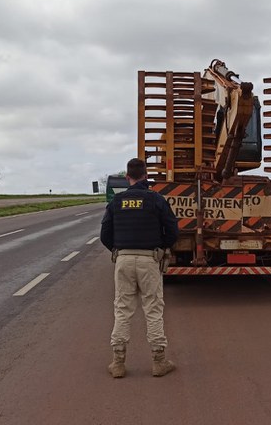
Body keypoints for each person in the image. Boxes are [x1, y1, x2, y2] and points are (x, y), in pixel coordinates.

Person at [100, 158, 179, 378]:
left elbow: (105, 234)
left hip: (123, 259)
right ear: (146, 176)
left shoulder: (117, 202)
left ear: (128, 178)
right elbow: (173, 229)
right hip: (149, 260)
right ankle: (159, 361)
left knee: (122, 310)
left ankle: (117, 362)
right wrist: (163, 247)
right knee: (153, 309)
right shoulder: (156, 200)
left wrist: (119, 250)